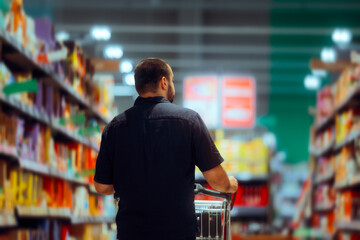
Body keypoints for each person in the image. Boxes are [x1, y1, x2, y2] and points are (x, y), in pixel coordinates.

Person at [94, 58, 238, 240]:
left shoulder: (114, 127)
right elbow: (217, 180)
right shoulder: (190, 121)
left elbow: (102, 186)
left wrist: (130, 182)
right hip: (177, 232)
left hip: (131, 233)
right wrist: (231, 184)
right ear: (164, 82)